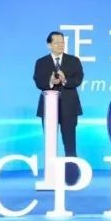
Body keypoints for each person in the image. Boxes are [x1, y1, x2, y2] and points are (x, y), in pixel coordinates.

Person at [32, 31, 84, 184]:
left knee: (70, 144)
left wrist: (65, 80)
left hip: (69, 107)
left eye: (62, 42)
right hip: (48, 107)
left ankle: (71, 177)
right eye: (57, 43)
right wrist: (50, 82)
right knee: (50, 143)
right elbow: (38, 82)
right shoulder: (41, 62)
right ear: (49, 45)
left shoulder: (73, 60)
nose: (60, 45)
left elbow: (78, 79)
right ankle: (51, 176)